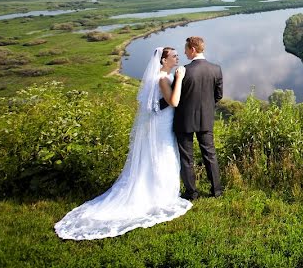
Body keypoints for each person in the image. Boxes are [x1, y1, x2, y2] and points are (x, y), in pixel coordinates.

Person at [54, 47, 192, 240]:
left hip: (163, 120)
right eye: (174, 56)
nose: (177, 58)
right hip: (162, 124)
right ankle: (160, 195)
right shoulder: (162, 78)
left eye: (177, 55)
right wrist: (179, 79)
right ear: (163, 61)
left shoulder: (161, 76)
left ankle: (162, 191)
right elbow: (173, 101)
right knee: (163, 153)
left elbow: (158, 104)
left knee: (162, 154)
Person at [173, 36, 223, 200]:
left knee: (187, 157)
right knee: (210, 155)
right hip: (206, 119)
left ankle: (191, 193)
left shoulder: (183, 71)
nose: (185, 52)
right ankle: (216, 191)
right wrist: (207, 108)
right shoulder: (216, 69)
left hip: (184, 120)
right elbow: (218, 96)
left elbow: (175, 97)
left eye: (186, 49)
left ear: (193, 49)